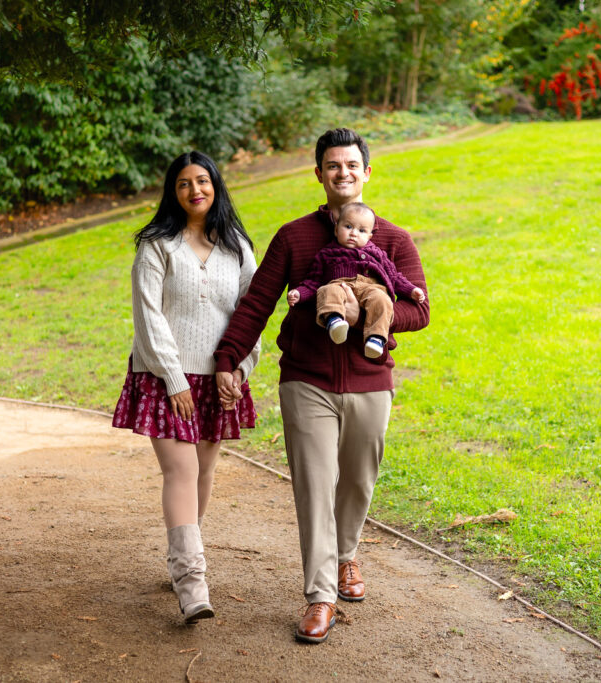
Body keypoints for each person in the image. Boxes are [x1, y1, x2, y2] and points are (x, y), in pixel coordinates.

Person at [214, 129, 429, 643]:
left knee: (357, 480)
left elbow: (419, 309)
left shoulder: (393, 239)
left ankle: (347, 555)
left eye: (352, 165)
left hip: (370, 382)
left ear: (367, 172)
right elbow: (258, 303)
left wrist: (362, 316)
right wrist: (229, 358)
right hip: (306, 381)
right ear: (319, 174)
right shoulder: (294, 237)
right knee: (314, 485)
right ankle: (320, 594)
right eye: (333, 166)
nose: (343, 174)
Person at [111, 150, 260, 624]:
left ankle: (179, 561)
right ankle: (192, 583)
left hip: (218, 377)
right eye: (183, 184)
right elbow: (147, 315)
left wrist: (239, 368)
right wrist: (173, 378)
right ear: (172, 193)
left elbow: (251, 313)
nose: (195, 190)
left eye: (202, 181)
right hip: (163, 376)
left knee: (203, 473)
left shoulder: (236, 245)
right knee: (180, 471)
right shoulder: (157, 245)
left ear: (215, 185)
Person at [286, 201, 426, 359]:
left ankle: (376, 338)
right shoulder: (326, 254)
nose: (353, 233)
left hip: (371, 288)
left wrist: (411, 290)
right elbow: (313, 282)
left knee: (382, 300)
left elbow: (393, 276)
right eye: (348, 227)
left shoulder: (377, 253)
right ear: (336, 228)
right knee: (326, 291)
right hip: (339, 285)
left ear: (369, 236)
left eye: (361, 230)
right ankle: (334, 321)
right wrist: (299, 293)